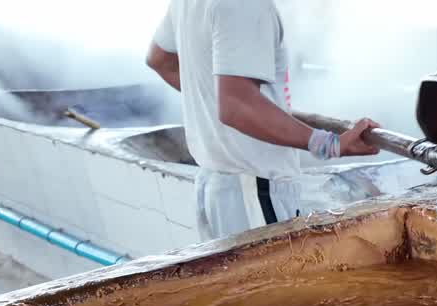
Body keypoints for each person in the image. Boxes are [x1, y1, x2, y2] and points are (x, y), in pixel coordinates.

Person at [145, 0, 380, 240]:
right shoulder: (247, 5)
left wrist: (220, 100)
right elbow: (236, 106)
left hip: (217, 186)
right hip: (254, 192)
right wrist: (330, 144)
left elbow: (160, 60)